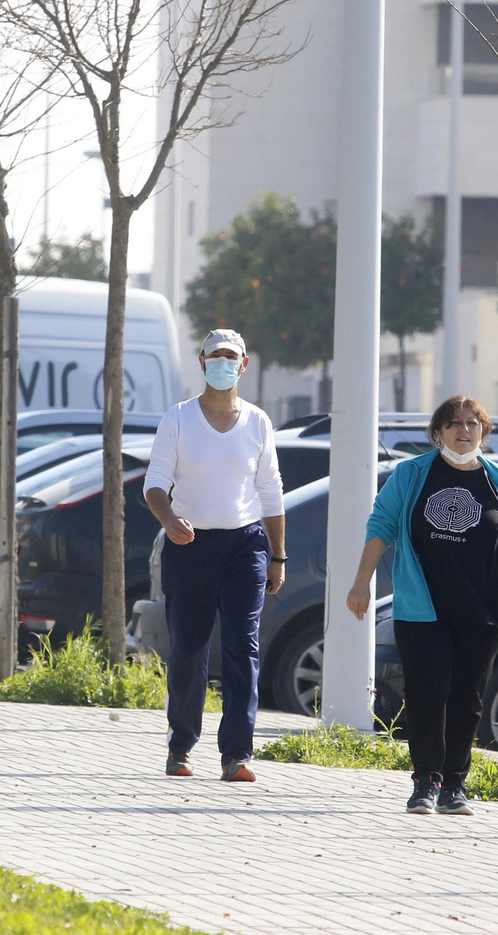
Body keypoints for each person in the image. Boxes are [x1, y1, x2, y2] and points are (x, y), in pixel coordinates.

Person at [345, 396, 498, 815]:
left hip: (484, 609)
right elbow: (380, 526)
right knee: (427, 691)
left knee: (467, 697)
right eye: (453, 423)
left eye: (472, 423)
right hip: (422, 607)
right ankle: (425, 781)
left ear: (484, 431)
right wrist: (361, 583)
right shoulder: (412, 474)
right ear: (438, 432)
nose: (463, 430)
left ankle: (454, 786)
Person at [145, 329, 286, 782]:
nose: (223, 363)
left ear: (244, 365)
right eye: (215, 356)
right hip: (190, 547)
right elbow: (155, 483)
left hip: (245, 547)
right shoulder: (179, 419)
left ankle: (237, 755)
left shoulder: (258, 422)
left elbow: (270, 492)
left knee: (243, 648)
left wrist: (277, 556)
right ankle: (181, 745)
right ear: (201, 362)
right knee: (189, 649)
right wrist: (169, 521)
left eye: (232, 357)